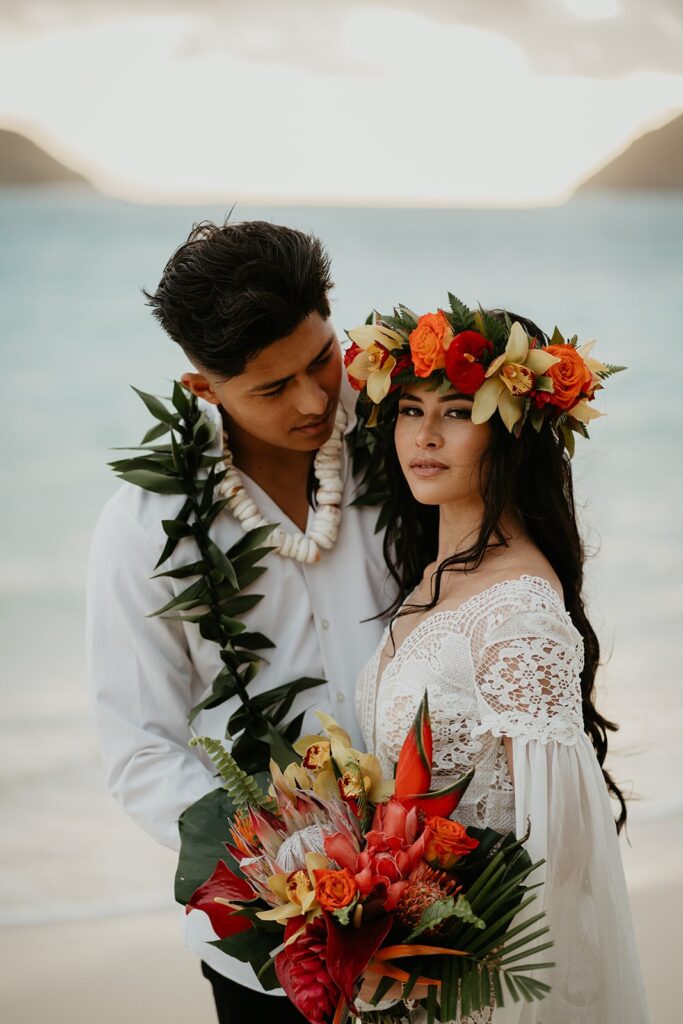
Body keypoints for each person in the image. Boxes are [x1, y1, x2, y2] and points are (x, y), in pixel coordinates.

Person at [86, 220, 393, 1023]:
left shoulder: (406, 442)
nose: (313, 399)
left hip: (448, 887)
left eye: (320, 358)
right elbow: (140, 746)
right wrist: (277, 860)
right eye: (269, 387)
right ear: (202, 389)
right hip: (273, 946)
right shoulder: (141, 528)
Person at [349, 301, 649, 1022]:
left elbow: (562, 850)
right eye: (408, 408)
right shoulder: (433, 576)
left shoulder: (517, 610)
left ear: (514, 430)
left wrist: (456, 974)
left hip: (483, 985)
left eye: (456, 410)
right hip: (420, 968)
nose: (422, 435)